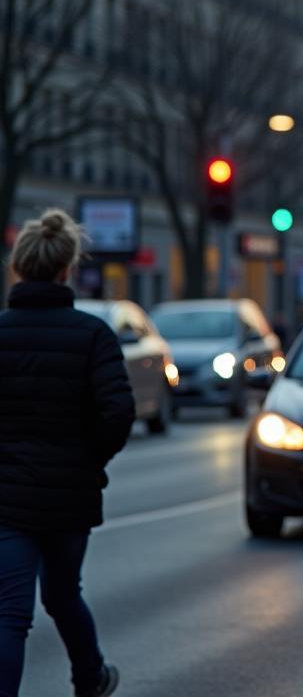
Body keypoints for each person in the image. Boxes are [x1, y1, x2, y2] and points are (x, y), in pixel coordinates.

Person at [0, 210, 134, 697]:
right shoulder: (93, 335)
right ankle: (90, 679)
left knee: (10, 614)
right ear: (66, 270)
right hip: (69, 495)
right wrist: (88, 459)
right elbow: (118, 412)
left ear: (20, 267)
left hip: (8, 494)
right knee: (61, 595)